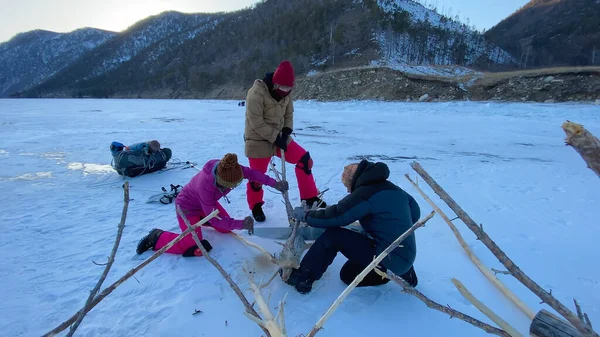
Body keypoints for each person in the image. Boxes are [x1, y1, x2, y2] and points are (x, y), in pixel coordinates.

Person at [284, 159, 421, 294]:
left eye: (347, 186)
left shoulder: (366, 193)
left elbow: (337, 216)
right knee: (348, 274)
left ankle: (302, 278)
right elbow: (415, 213)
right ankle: (403, 273)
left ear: (353, 180)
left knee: (334, 236)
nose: (349, 191)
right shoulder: (394, 189)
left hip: (386, 256)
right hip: (405, 256)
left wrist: (307, 216)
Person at [136, 153, 288, 257]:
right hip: (187, 209)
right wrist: (241, 224)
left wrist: (275, 184)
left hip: (207, 207)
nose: (232, 188)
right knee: (196, 247)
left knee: (225, 228)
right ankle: (156, 237)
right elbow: (215, 219)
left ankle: (201, 221)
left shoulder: (232, 169)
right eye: (230, 186)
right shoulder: (205, 186)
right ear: (219, 180)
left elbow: (254, 174)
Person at [243, 60, 326, 222]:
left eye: (290, 89)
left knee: (305, 160)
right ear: (275, 84)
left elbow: (289, 115)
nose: (287, 92)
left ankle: (309, 197)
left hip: (280, 137)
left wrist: (287, 130)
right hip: (258, 139)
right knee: (257, 177)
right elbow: (256, 121)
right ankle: (256, 205)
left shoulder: (287, 94)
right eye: (284, 88)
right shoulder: (256, 93)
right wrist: (275, 137)